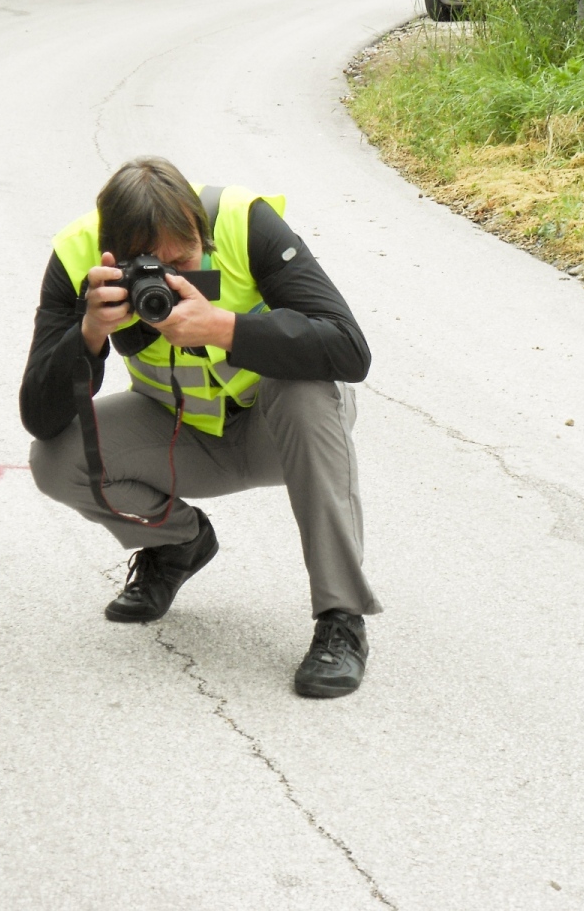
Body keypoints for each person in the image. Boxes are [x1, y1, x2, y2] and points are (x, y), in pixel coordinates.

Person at [20, 156, 381, 697]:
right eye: (150, 268)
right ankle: (176, 544)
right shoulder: (76, 258)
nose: (170, 280)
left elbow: (349, 351)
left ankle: (341, 618)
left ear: (202, 231)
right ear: (112, 256)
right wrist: (89, 331)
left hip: (278, 431)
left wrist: (225, 327)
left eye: (184, 260)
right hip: (178, 433)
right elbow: (40, 415)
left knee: (305, 388)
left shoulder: (242, 221)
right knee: (55, 460)